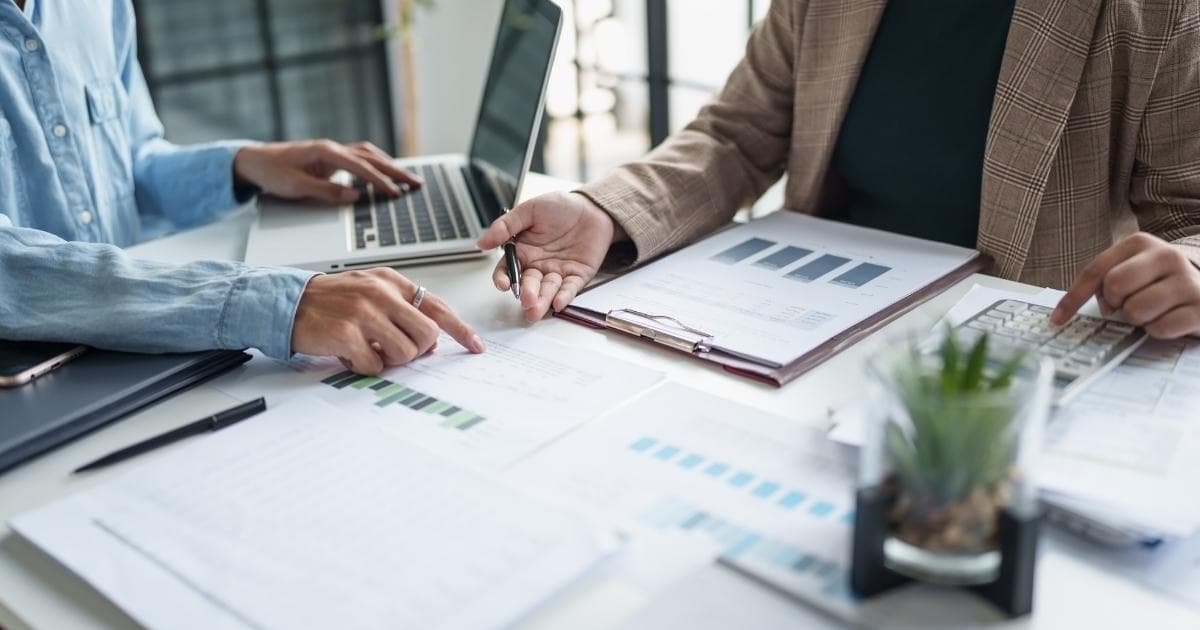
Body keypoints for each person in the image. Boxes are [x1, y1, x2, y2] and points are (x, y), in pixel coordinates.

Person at [479, 0, 1200, 340]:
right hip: (813, 319)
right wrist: (606, 212)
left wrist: (1189, 272)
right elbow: (736, 134)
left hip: (1008, 347)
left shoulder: (1161, 13)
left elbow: (1190, 215)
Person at [0, 0, 485, 376]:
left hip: (141, 338)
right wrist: (274, 303)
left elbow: (133, 162)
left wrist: (244, 165)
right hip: (28, 370)